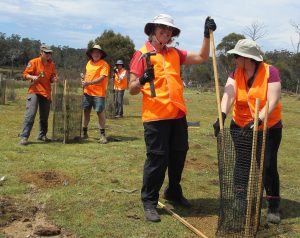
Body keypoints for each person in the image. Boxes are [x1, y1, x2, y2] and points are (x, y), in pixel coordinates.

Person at [129, 14, 216, 222]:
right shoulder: (141, 54)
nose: (166, 32)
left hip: (177, 114)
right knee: (157, 159)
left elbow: (203, 57)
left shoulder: (175, 53)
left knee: (178, 155)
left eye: (169, 30)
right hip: (155, 116)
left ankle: (174, 191)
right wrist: (142, 79)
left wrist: (206, 35)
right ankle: (149, 201)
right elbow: (131, 89)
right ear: (153, 30)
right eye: (162, 28)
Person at [213, 39, 282, 224]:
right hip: (241, 125)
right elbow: (229, 94)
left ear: (248, 58)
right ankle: (240, 198)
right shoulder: (236, 72)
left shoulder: (270, 72)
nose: (234, 59)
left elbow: (273, 98)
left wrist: (258, 119)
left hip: (268, 126)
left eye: (237, 56)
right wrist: (222, 114)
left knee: (267, 165)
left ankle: (273, 205)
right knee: (242, 162)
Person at [20, 44, 58, 145]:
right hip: (34, 91)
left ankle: (42, 135)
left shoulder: (52, 65)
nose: (48, 55)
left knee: (44, 116)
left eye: (50, 53)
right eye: (46, 53)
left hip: (46, 92)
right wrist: (32, 77)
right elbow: (25, 75)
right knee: (30, 114)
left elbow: (52, 77)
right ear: (41, 52)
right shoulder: (33, 62)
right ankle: (24, 137)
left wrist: (54, 79)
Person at [81, 45, 110, 144]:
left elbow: (102, 77)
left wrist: (89, 83)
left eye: (98, 52)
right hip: (87, 92)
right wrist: (83, 81)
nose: (96, 54)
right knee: (86, 111)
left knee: (100, 113)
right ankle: (84, 132)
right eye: (94, 52)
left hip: (99, 93)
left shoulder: (104, 64)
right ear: (91, 54)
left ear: (101, 54)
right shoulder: (88, 63)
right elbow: (87, 76)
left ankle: (102, 135)